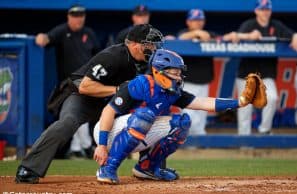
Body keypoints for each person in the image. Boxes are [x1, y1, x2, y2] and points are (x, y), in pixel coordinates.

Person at [15, 24, 164, 184]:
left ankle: (149, 167)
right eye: (149, 44)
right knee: (68, 122)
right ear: (135, 44)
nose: (153, 48)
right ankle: (28, 168)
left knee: (150, 114)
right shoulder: (113, 56)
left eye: (154, 44)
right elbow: (85, 86)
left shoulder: (147, 62)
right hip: (82, 96)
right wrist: (118, 89)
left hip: (114, 101)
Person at [93, 49, 254, 184]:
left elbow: (203, 103)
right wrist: (101, 145)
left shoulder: (172, 91)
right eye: (174, 72)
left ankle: (147, 167)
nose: (178, 77)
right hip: (107, 132)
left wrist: (239, 102)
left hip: (137, 131)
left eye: (179, 73)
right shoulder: (140, 84)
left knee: (182, 123)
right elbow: (108, 111)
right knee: (145, 115)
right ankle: (107, 168)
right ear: (158, 71)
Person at [35, 5, 101, 159]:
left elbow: (98, 55)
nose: (78, 18)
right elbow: (46, 38)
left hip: (88, 81)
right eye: (75, 15)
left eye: (81, 15)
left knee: (81, 113)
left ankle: (78, 146)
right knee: (75, 113)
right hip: (69, 83)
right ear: (69, 16)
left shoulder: (89, 33)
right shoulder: (63, 31)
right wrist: (41, 37)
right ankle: (82, 146)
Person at [232, 0, 297, 135]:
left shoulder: (276, 25)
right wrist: (249, 36)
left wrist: (296, 36)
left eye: (267, 9)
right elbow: (235, 37)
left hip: (266, 74)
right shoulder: (249, 24)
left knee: (272, 98)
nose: (265, 12)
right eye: (262, 9)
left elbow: (292, 35)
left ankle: (264, 130)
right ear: (256, 11)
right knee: (245, 108)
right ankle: (244, 140)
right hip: (246, 74)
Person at [177, 9, 217, 135]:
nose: (198, 23)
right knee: (188, 114)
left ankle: (198, 144)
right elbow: (180, 38)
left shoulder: (209, 33)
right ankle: (191, 140)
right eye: (194, 20)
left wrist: (206, 36)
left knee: (201, 115)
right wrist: (197, 33)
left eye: (200, 20)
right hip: (187, 82)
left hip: (204, 81)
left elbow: (220, 39)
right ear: (188, 22)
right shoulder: (184, 33)